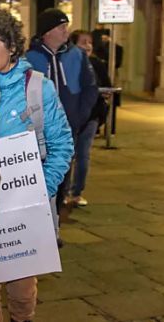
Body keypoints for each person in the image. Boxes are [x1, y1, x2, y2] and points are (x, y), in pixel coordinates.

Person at [0, 9, 74, 322]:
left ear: (11, 47)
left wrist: (41, 187)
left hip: (24, 209)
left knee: (22, 289)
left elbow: (62, 145)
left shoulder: (37, 88)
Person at [25, 9, 98, 218]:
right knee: (38, 176)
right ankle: (39, 221)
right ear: (47, 32)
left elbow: (90, 88)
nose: (66, 31)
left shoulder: (77, 56)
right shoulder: (30, 58)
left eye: (66, 26)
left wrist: (79, 117)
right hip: (39, 131)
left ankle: (55, 223)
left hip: (68, 128)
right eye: (61, 27)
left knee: (62, 175)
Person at [67, 30, 110, 206]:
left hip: (91, 116)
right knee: (67, 154)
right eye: (83, 42)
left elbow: (107, 86)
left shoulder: (97, 64)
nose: (87, 45)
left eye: (90, 42)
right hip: (70, 116)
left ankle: (76, 192)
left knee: (83, 154)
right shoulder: (68, 63)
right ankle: (63, 190)